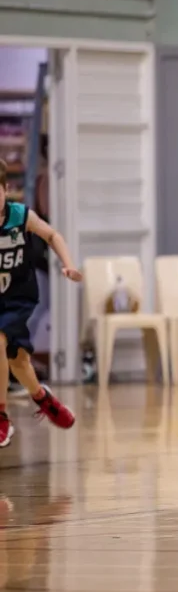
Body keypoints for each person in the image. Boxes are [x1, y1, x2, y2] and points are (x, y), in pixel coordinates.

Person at [0, 159, 78, 448]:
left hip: (18, 296)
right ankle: (43, 399)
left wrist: (68, 264)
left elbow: (52, 235)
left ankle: (1, 419)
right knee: (17, 359)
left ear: (6, 190)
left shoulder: (20, 215)